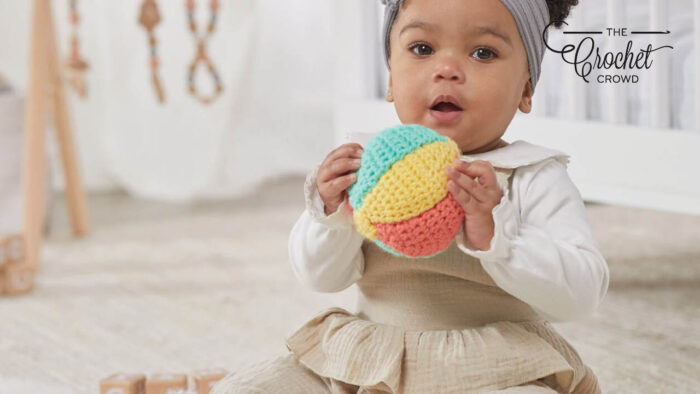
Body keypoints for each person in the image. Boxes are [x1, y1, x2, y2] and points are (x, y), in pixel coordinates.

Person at [212, 0, 608, 392]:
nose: (447, 70)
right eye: (422, 49)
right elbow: (318, 276)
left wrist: (498, 238)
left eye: (483, 52)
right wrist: (334, 215)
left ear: (525, 87)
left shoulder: (532, 176)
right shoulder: (369, 166)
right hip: (370, 357)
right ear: (389, 78)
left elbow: (581, 295)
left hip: (489, 368)